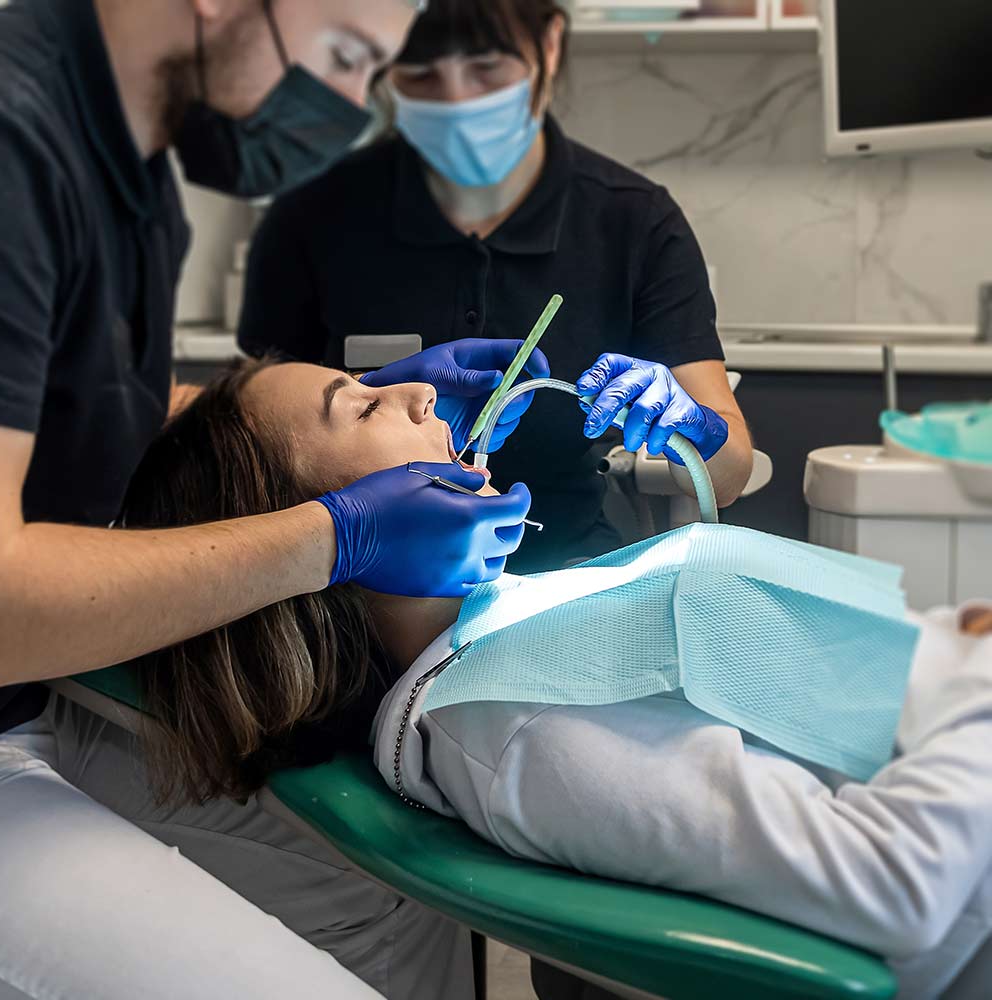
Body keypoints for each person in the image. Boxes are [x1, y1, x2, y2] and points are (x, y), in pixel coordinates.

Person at [78, 356, 992, 1000]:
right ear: (305, 539)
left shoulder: (519, 628)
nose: (420, 387)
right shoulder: (510, 720)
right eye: (360, 407)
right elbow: (899, 884)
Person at [0, 0, 540, 996]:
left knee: (389, 908)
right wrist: (333, 534)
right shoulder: (7, 142)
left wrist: (354, 402)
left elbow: (63, 397)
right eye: (341, 57)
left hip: (36, 699)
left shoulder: (127, 165)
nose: (343, 108)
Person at [238, 0, 754, 573]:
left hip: (567, 579)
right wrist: (365, 400)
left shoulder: (634, 222)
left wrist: (695, 431)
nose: (456, 100)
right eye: (421, 74)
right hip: (359, 586)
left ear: (549, 46)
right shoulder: (313, 216)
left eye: (486, 67)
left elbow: (728, 474)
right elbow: (241, 450)